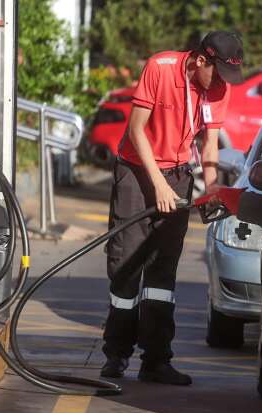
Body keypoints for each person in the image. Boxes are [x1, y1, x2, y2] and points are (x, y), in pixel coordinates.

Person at [100, 31, 244, 385]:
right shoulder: (160, 68)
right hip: (137, 171)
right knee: (126, 265)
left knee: (162, 273)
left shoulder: (218, 89)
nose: (223, 83)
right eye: (219, 73)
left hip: (178, 174)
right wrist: (158, 184)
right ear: (200, 61)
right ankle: (116, 356)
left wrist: (211, 187)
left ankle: (156, 361)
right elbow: (136, 130)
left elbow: (209, 144)